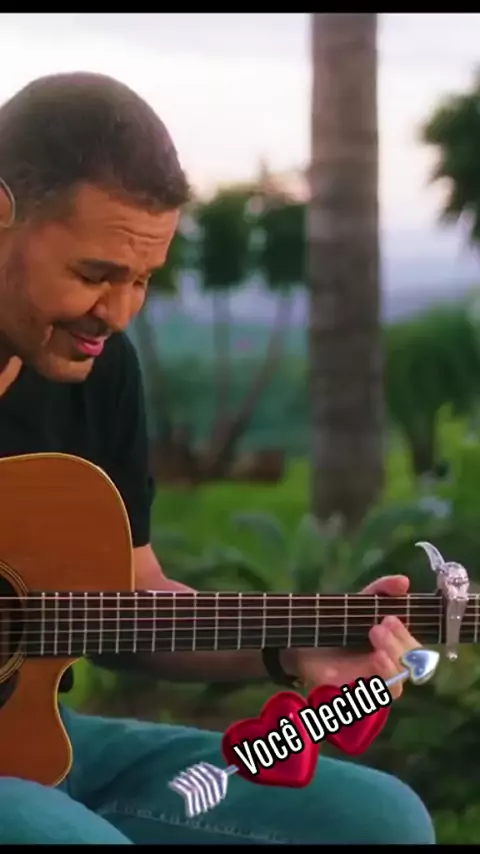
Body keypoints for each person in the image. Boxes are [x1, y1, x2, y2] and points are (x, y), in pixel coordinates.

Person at [0, 72, 435, 845]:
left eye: (142, 280)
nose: (117, 313)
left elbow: (132, 602)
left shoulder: (101, 372)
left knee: (379, 822)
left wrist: (287, 644)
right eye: (94, 275)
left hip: (34, 747)